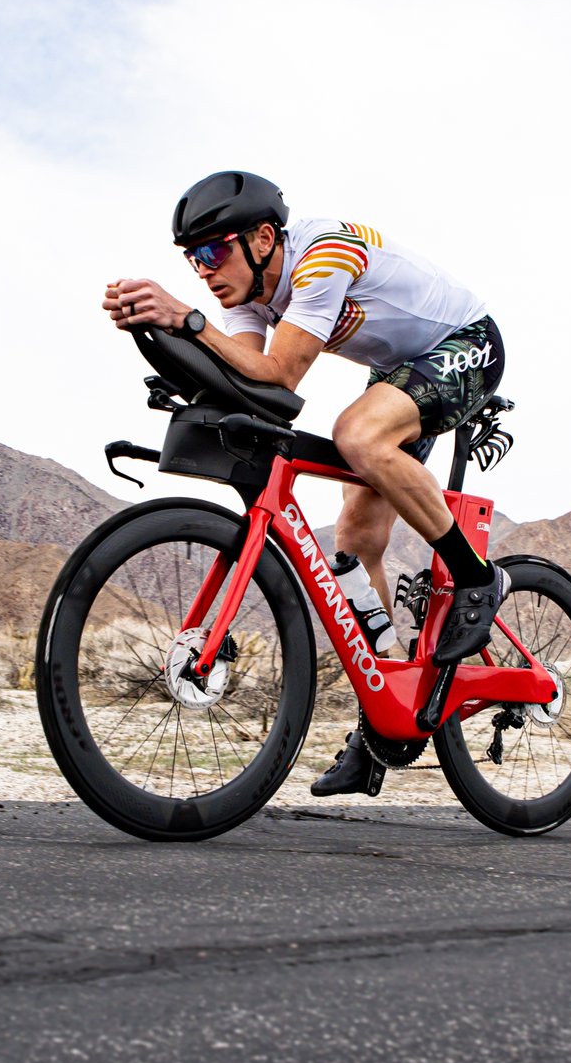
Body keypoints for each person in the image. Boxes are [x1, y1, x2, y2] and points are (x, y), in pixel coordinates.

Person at [103, 171, 508, 797]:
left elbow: (280, 372)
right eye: (191, 258)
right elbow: (253, 387)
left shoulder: (322, 258)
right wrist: (157, 341)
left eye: (213, 250)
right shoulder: (245, 298)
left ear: (264, 238)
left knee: (358, 436)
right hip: (400, 370)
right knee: (354, 539)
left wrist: (185, 320)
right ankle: (385, 721)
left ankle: (477, 579)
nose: (203, 270)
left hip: (467, 343)